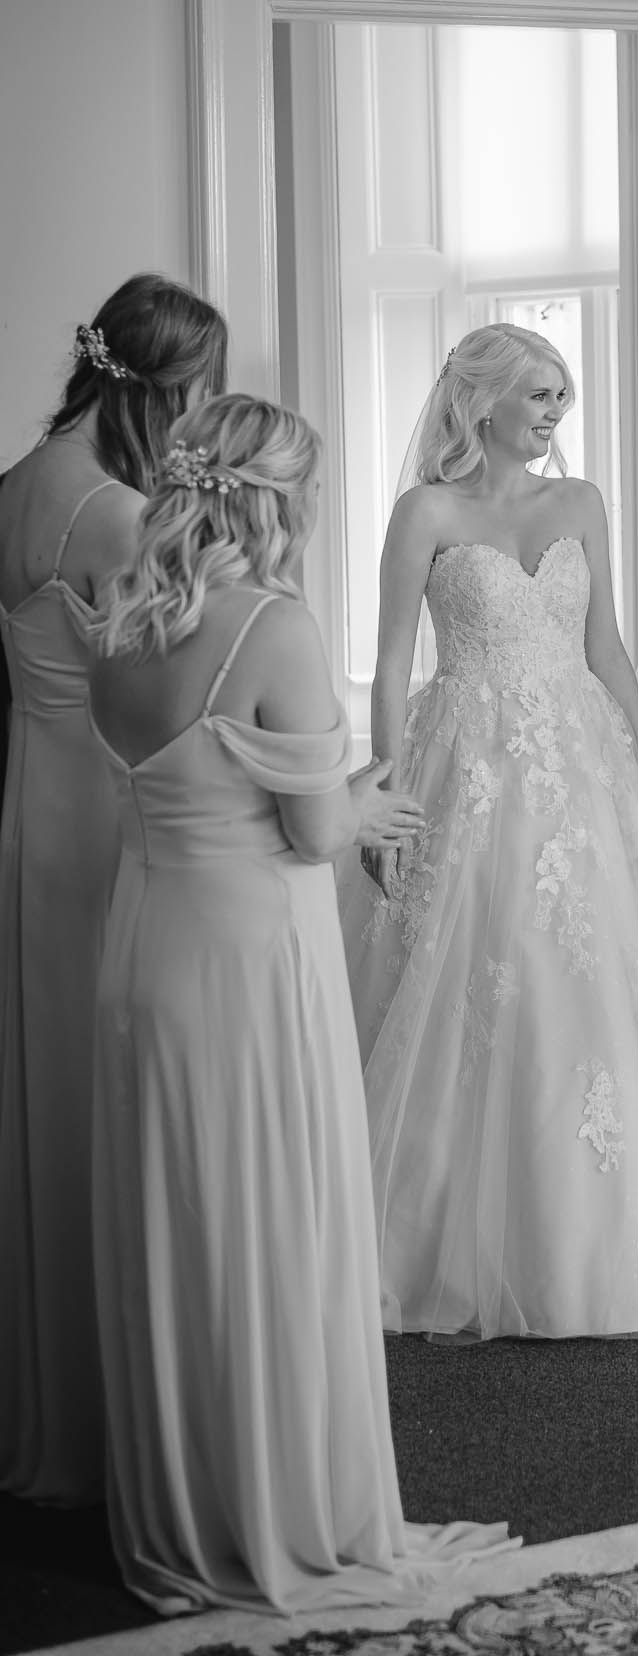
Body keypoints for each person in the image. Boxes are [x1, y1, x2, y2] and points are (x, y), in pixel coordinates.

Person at [86, 394, 508, 1612]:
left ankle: (186, 1500)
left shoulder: (118, 615)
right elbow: (316, 829)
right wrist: (367, 797)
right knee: (267, 1214)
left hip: (144, 947)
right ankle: (279, 1506)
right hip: (253, 959)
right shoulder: (272, 624)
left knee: (178, 1222)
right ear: (279, 498)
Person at [339, 324, 638, 1341]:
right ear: (482, 400)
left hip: (580, 769)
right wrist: (386, 786)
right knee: (483, 970)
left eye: (563, 396)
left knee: (588, 976)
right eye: (541, 394)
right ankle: (448, 1229)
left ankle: (602, 1239)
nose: (556, 413)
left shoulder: (581, 502)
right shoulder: (426, 511)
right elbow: (389, 662)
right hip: (467, 762)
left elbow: (605, 645)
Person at [0, 273, 228, 1505]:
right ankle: (119, 1406)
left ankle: (52, 1381)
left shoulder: (16, 483)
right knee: (112, 1088)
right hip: (102, 810)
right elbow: (178, 680)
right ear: (162, 386)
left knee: (47, 1082)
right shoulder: (121, 514)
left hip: (28, 806)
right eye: (198, 390)